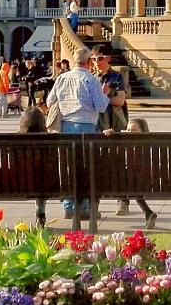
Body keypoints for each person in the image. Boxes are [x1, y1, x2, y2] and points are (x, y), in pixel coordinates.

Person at [49, 47, 109, 226]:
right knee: (87, 168)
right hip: (87, 127)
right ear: (89, 62)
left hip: (66, 127)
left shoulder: (62, 78)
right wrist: (105, 95)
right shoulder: (90, 79)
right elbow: (101, 106)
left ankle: (69, 206)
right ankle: (84, 207)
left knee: (69, 168)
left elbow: (49, 101)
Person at [14, 107, 49, 228]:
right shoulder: (49, 140)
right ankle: (40, 213)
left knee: (37, 177)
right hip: (45, 184)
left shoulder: (15, 140)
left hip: (18, 182)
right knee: (41, 178)